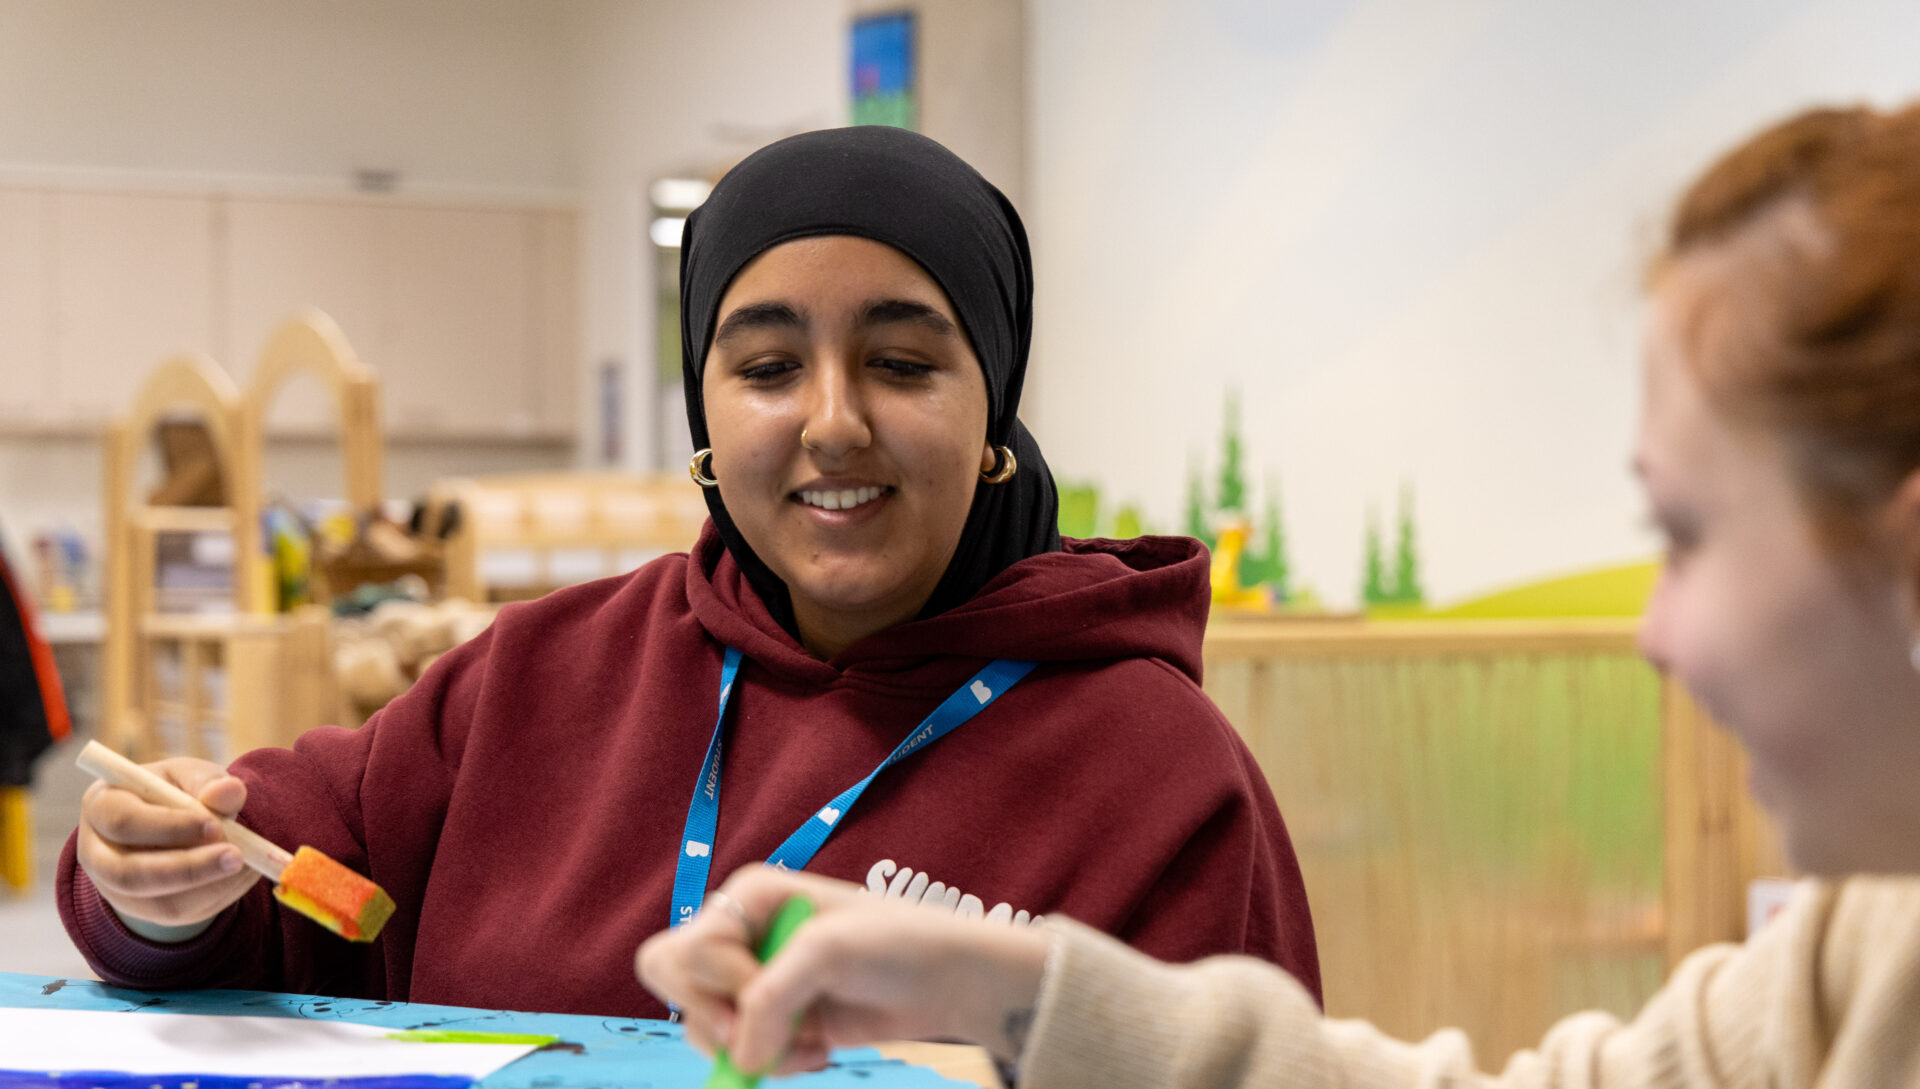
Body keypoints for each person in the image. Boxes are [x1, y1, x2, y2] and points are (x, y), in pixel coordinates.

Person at [640, 103, 1920, 1089]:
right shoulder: (1869, 956)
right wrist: (1015, 996)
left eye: (1688, 534)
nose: (1658, 633)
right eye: (763, 367)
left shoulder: (1148, 748)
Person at [60, 126, 1320, 1017]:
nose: (832, 422)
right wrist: (165, 887)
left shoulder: (1159, 775)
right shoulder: (542, 672)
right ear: (706, 414)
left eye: (903, 361)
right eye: (768, 368)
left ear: (996, 406)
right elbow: (282, 886)